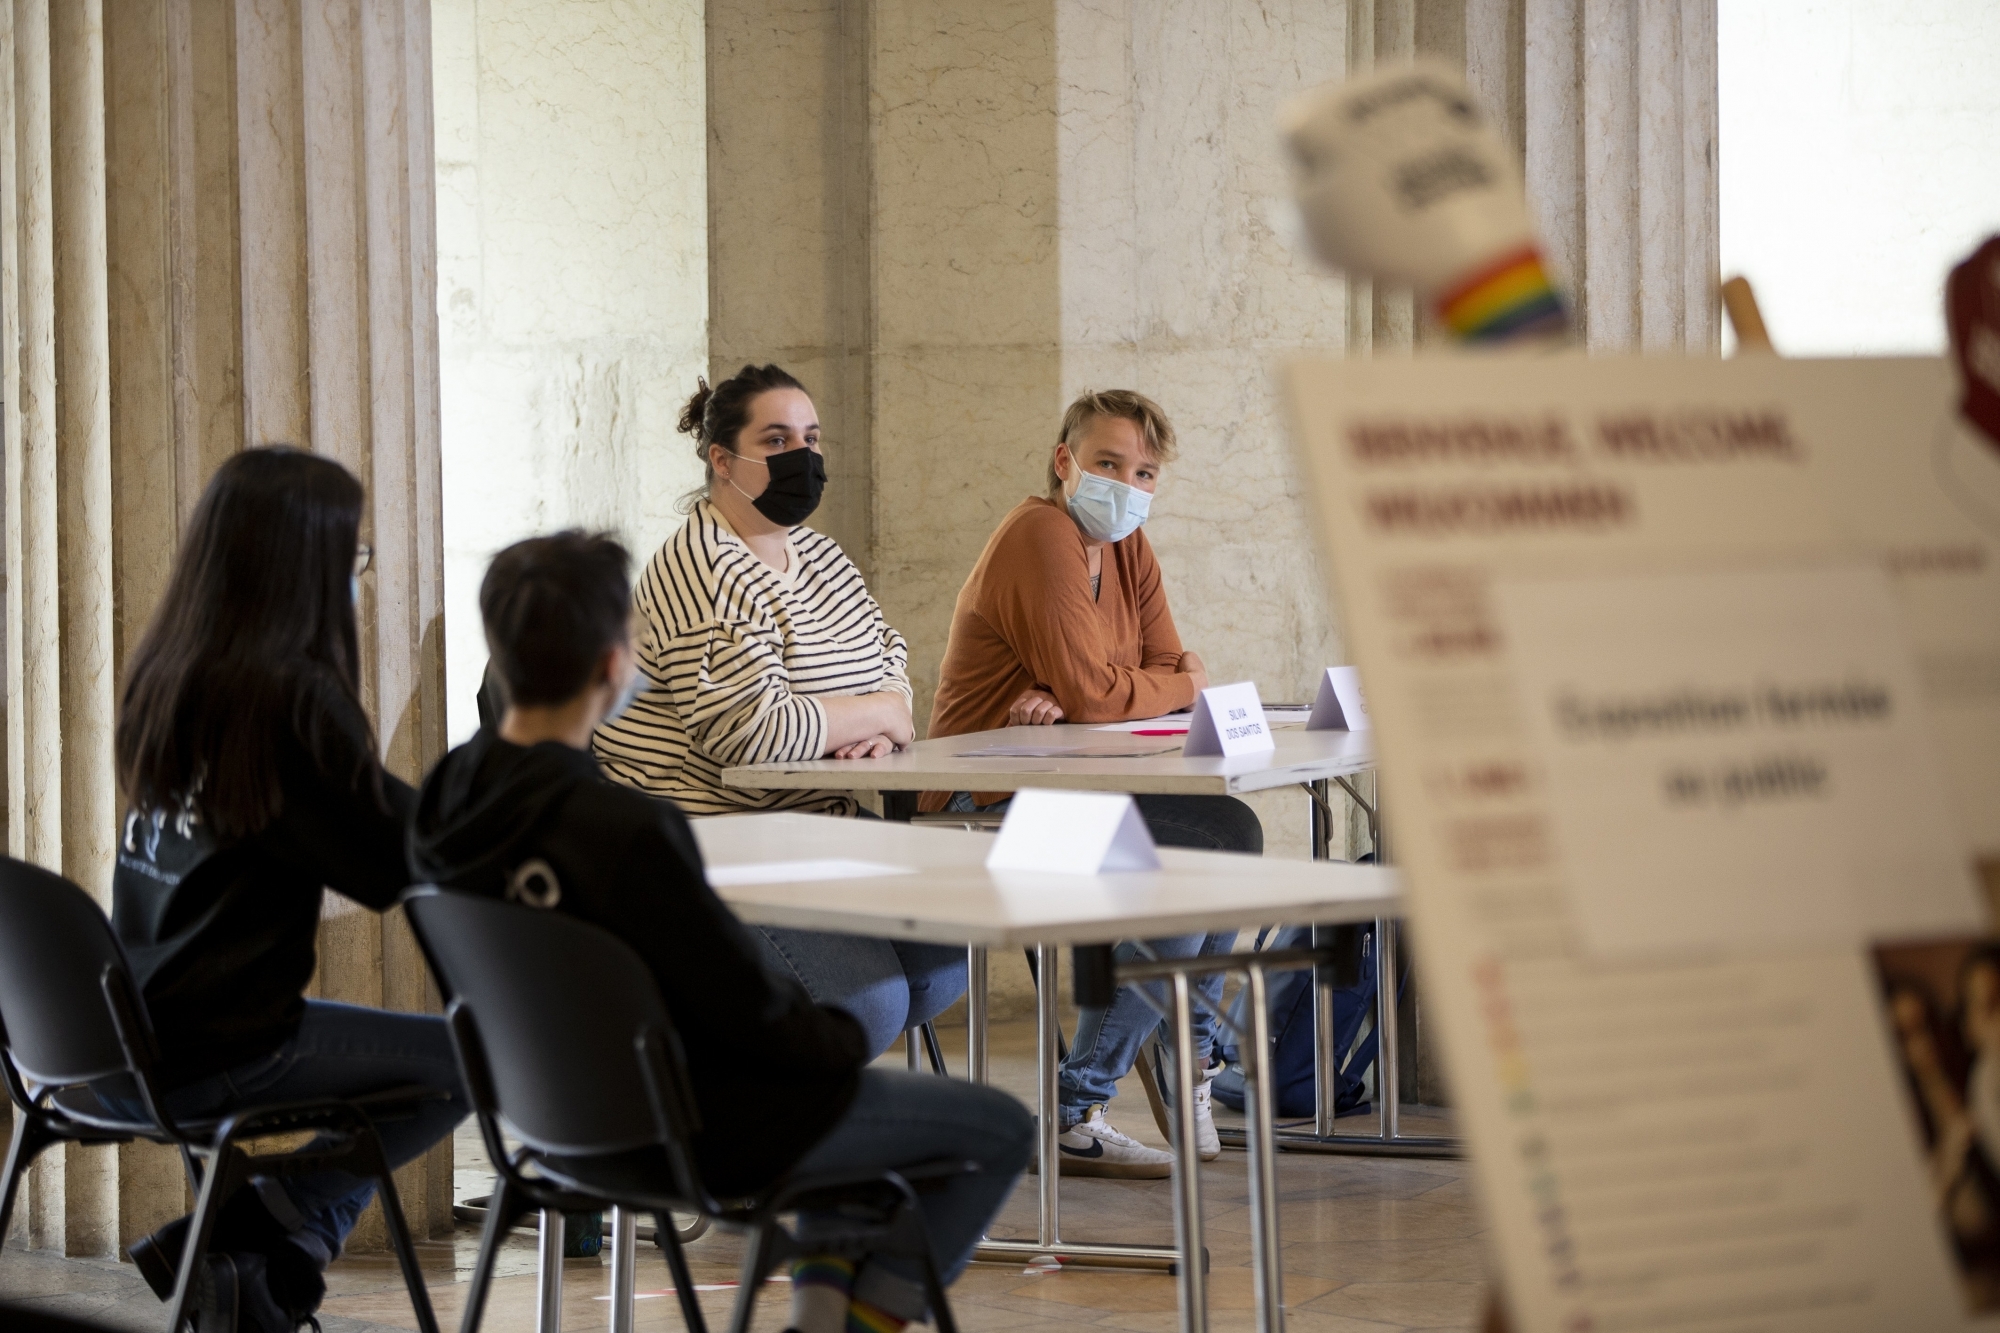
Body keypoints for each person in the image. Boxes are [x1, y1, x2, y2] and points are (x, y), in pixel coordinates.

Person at [410, 532, 1033, 1333]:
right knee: (994, 1127)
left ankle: (817, 1313)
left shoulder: (440, 802)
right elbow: (750, 1009)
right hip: (697, 1131)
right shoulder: (626, 829)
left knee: (845, 1117)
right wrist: (843, 1035)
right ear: (612, 664)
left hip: (542, 1127)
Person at [109, 447, 470, 1333]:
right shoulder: (292, 697)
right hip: (223, 1043)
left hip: (113, 1038)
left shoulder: (170, 671)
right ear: (302, 567)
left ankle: (261, 1260)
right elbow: (392, 864)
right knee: (482, 1054)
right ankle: (259, 1224)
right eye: (355, 556)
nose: (361, 576)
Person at [922, 389, 1259, 1178]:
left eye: (1144, 471)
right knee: (1175, 866)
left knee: (1233, 833)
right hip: (976, 804)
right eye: (1108, 463)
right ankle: (1076, 1110)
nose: (1128, 484)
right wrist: (1140, 684)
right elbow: (1127, 689)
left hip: (1067, 783)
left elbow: (1140, 675)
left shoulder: (1129, 548)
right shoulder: (1041, 532)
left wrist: (1115, 685)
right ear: (1064, 460)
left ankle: (1192, 1060)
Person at [592, 363, 964, 1056]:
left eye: (812, 438)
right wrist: (870, 715)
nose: (804, 457)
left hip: (814, 829)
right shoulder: (703, 564)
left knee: (941, 966)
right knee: (869, 1003)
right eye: (778, 439)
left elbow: (888, 655)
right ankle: (792, 1143)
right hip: (715, 846)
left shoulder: (818, 553)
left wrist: (879, 713)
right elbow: (754, 736)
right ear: (722, 459)